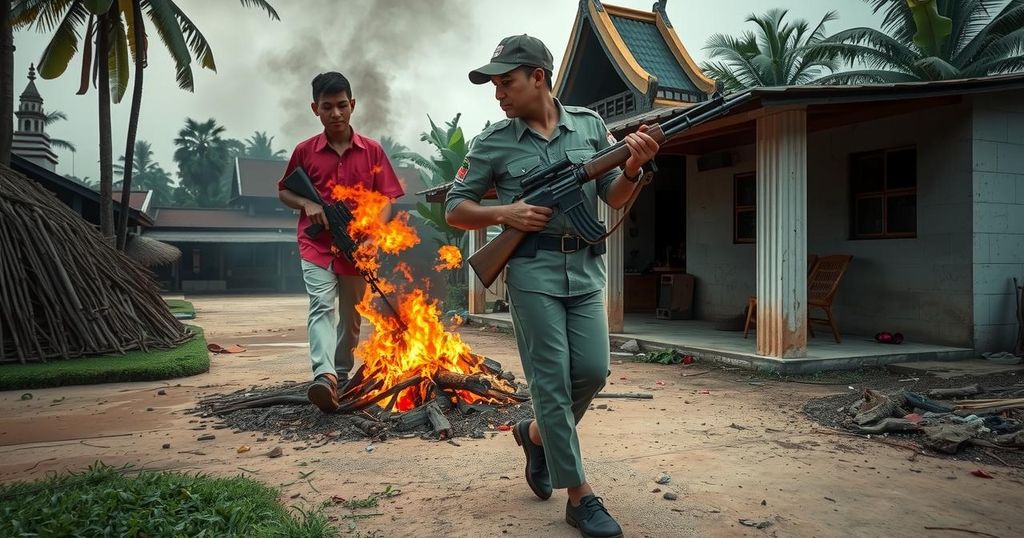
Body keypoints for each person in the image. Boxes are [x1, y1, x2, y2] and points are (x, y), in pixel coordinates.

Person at [445, 35, 659, 538]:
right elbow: (455, 206)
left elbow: (613, 193)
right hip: (531, 272)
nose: (498, 93)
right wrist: (506, 211)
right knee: (552, 385)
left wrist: (633, 165)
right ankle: (580, 496)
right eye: (494, 84)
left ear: (537, 77)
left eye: (506, 82)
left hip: (584, 268)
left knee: (593, 370)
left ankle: (536, 435)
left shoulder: (589, 125)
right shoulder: (493, 141)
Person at [278, 72, 405, 413]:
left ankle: (342, 371)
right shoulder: (304, 151)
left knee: (350, 316)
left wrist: (373, 235)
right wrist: (307, 204)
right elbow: (284, 190)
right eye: (327, 107)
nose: (335, 113)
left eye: (341, 105)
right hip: (316, 246)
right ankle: (324, 376)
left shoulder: (373, 151)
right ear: (314, 109)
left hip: (358, 248)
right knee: (321, 304)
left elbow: (386, 198)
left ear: (353, 105)